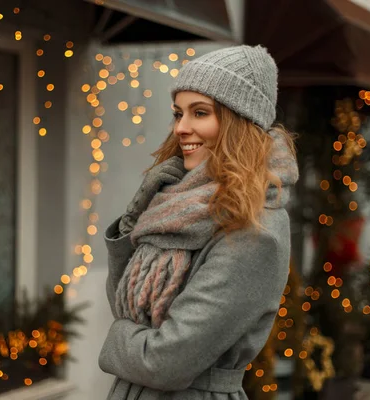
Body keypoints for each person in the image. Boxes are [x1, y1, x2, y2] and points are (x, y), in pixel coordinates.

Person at [98, 45, 299, 400]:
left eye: (200, 113)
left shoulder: (255, 227)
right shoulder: (175, 204)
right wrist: (138, 212)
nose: (181, 128)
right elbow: (126, 305)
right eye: (178, 114)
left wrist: (115, 339)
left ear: (240, 123)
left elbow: (166, 362)